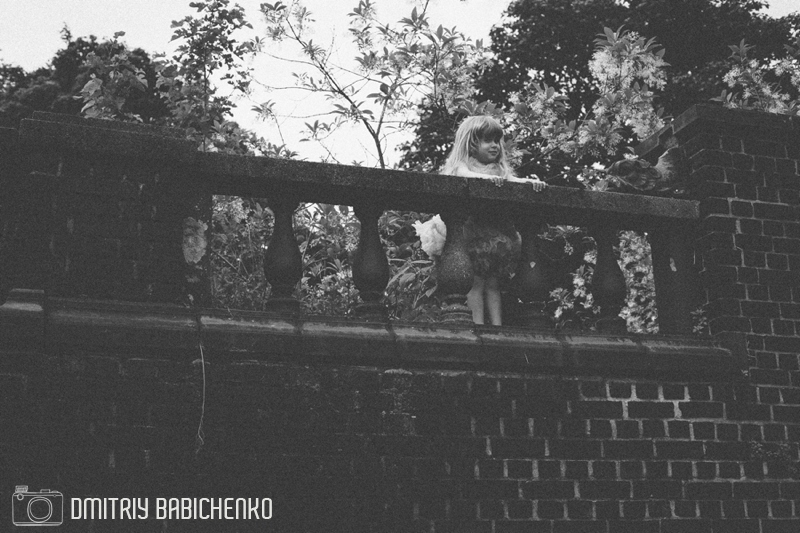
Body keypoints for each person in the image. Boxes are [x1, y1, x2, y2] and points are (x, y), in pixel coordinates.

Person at [441, 114, 546, 325]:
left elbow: (512, 180)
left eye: (497, 140)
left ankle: (497, 326)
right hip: (473, 234)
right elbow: (464, 176)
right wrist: (488, 179)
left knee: (493, 284)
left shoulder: (499, 169)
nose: (495, 146)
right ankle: (478, 325)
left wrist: (528, 182)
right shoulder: (465, 164)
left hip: (496, 237)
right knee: (475, 283)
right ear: (471, 144)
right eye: (487, 140)